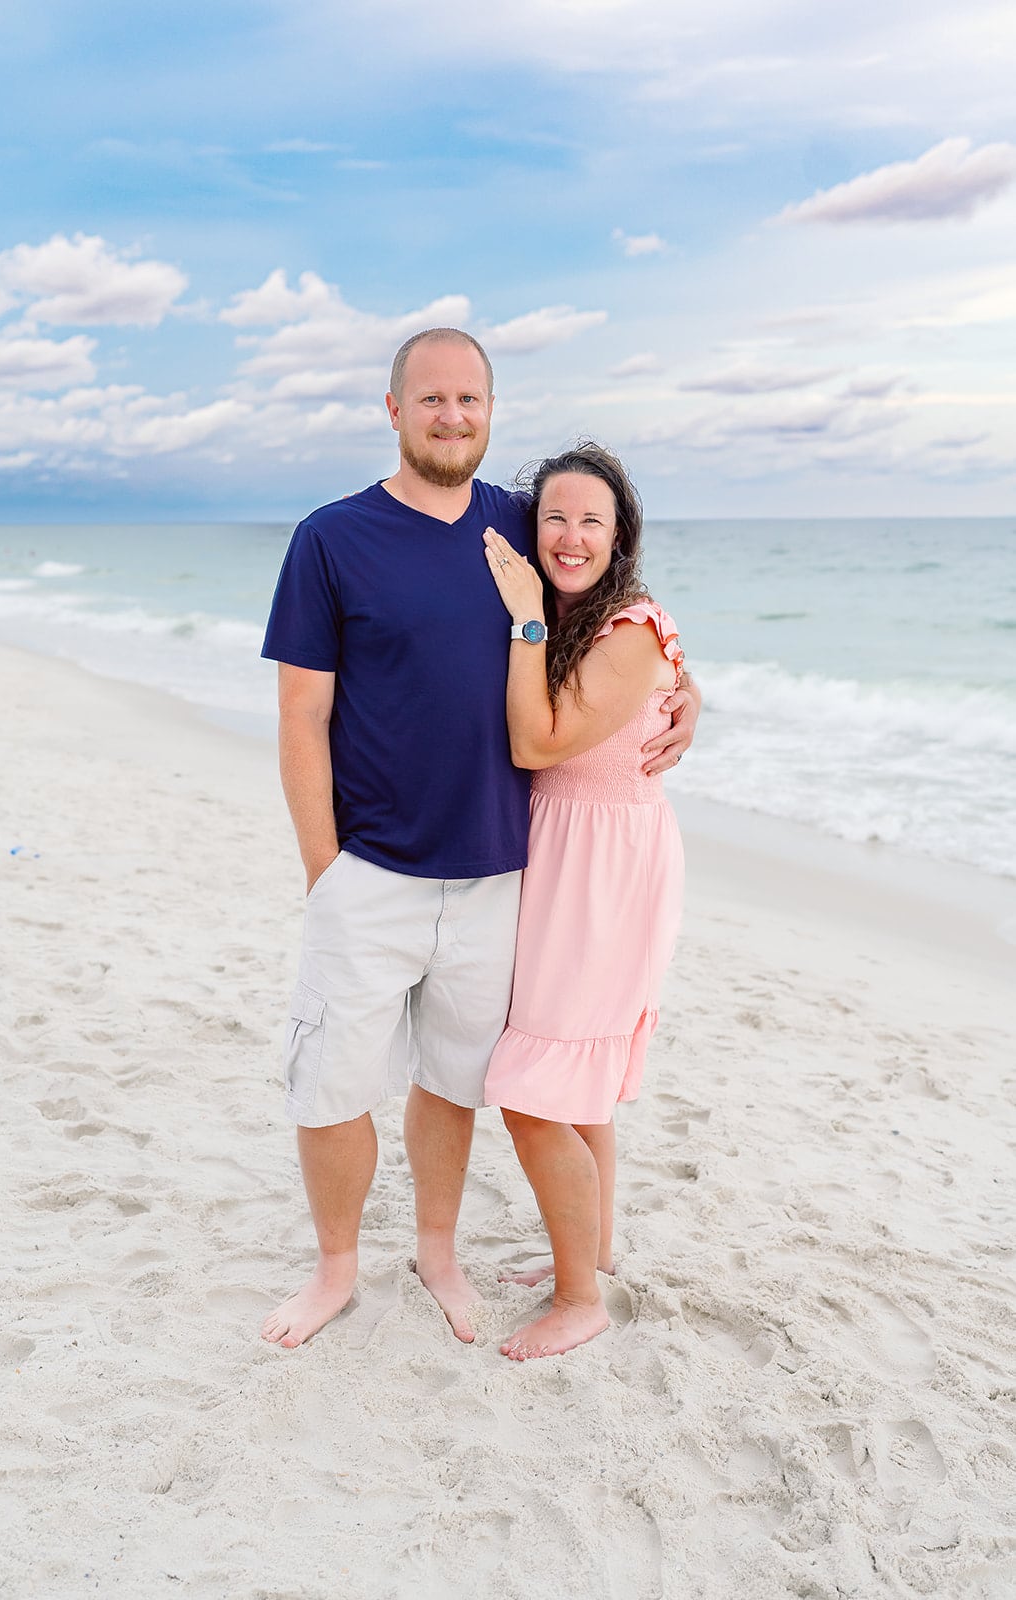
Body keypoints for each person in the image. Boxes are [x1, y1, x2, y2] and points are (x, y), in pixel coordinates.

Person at [259, 330, 700, 1350]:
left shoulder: (518, 520)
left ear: (490, 411)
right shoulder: (331, 538)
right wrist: (322, 869)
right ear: (393, 408)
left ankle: (437, 1251)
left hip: (505, 873)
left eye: (469, 399)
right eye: (431, 399)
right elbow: (299, 718)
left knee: (453, 1086)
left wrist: (686, 688)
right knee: (330, 1085)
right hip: (367, 867)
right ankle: (334, 1270)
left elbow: (621, 607)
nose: (450, 416)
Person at [480, 443, 687, 1361]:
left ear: (619, 537)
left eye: (590, 521)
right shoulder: (581, 622)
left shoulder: (626, 628)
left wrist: (525, 618)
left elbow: (536, 741)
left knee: (530, 1094)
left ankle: (577, 1300)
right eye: (554, 518)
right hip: (564, 855)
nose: (569, 536)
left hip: (604, 870)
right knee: (582, 1090)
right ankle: (590, 1253)